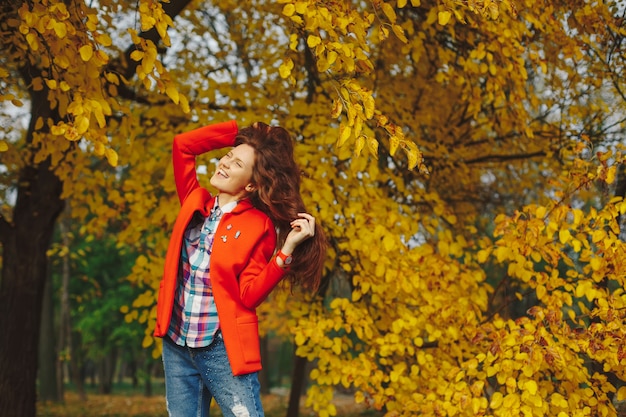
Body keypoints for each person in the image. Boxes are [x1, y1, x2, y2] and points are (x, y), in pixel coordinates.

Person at [153, 120, 327, 417]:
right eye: (228, 156)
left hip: (221, 347)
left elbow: (248, 296)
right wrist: (238, 133)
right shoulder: (195, 201)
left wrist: (286, 251)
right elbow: (183, 145)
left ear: (251, 185)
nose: (225, 163)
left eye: (237, 164)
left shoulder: (258, 225)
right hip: (177, 343)